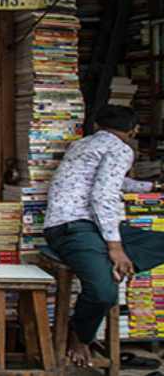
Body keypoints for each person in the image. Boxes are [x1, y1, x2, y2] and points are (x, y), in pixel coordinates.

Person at [44, 105, 164, 367]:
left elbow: (109, 180)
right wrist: (115, 247)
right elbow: (102, 195)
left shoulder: (82, 144)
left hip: (82, 227)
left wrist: (150, 187)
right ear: (134, 130)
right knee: (103, 293)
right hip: (75, 227)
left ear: (97, 126)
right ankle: (80, 334)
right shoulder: (121, 149)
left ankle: (104, 261)